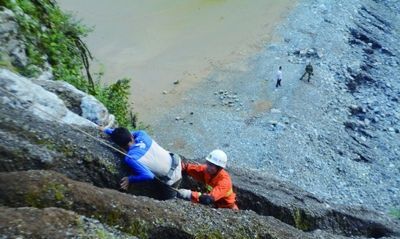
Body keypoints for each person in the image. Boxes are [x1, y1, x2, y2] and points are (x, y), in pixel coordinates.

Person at [102, 127, 182, 200]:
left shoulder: (131, 158)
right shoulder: (142, 134)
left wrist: (130, 179)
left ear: (120, 145)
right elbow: (127, 134)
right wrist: (107, 130)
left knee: (170, 200)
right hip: (177, 162)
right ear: (131, 136)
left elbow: (148, 176)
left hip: (171, 179)